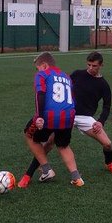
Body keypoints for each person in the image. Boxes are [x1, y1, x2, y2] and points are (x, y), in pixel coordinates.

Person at [17, 52, 84, 188]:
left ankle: (47, 170)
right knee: (63, 145)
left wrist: (39, 116)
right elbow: (72, 98)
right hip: (68, 115)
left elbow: (40, 94)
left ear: (44, 65)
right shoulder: (66, 76)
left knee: (29, 135)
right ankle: (77, 178)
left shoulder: (42, 74)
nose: (37, 71)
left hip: (50, 115)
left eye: (38, 68)